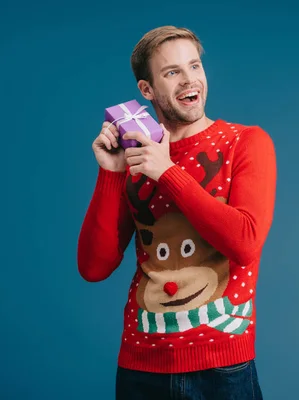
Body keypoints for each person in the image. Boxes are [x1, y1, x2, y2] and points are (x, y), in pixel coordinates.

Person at [77, 25, 277, 399]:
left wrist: (167, 173)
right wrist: (111, 173)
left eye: (195, 66)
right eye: (172, 72)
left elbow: (245, 242)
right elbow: (94, 267)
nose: (190, 80)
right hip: (141, 365)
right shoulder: (135, 159)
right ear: (146, 90)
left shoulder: (245, 142)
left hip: (222, 368)